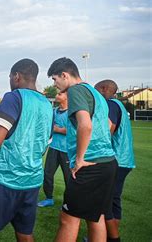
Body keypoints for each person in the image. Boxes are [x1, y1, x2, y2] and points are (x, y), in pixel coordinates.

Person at [0, 58, 53, 241]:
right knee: (25, 232)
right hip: (32, 180)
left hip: (5, 178)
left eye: (10, 77)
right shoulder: (47, 104)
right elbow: (44, 144)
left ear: (16, 76)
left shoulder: (14, 97)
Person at [48, 57, 117, 242]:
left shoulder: (76, 90)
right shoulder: (95, 93)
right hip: (107, 162)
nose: (55, 84)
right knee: (96, 217)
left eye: (55, 79)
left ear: (64, 75)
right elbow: (109, 125)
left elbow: (85, 126)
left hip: (89, 166)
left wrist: (79, 159)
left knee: (68, 220)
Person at [95, 79, 135, 242]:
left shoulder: (111, 104)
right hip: (124, 160)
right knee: (113, 201)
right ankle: (107, 236)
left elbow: (107, 129)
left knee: (106, 202)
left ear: (104, 89)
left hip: (116, 160)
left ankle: (111, 238)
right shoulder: (119, 105)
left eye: (96, 90)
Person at [38, 91, 70, 207]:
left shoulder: (71, 113)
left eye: (60, 94)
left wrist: (58, 130)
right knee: (47, 174)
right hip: (53, 148)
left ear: (67, 97)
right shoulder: (54, 111)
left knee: (68, 178)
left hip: (66, 150)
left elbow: (75, 131)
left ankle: (68, 202)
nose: (56, 95)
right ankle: (49, 198)